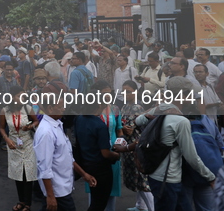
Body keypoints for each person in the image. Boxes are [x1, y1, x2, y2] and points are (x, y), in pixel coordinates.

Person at [134, 76, 216, 211]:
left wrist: (153, 114)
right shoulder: (181, 121)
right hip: (168, 180)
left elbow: (138, 121)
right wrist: (210, 177)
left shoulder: (161, 109)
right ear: (184, 95)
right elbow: (192, 157)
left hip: (156, 176)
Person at [34, 80, 97, 211]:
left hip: (63, 188)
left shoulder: (57, 125)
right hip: (57, 192)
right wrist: (50, 196)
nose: (64, 109)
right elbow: (44, 168)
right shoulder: (46, 132)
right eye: (61, 106)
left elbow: (67, 156)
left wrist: (83, 174)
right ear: (50, 108)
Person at [74, 89, 120, 211]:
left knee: (95, 200)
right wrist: (116, 155)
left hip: (86, 164)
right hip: (101, 168)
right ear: (99, 105)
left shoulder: (79, 119)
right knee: (99, 204)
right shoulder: (99, 125)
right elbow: (105, 153)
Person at [0, 85, 39, 211]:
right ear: (12, 97)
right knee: (18, 173)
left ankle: (28, 203)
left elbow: (36, 121)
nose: (22, 98)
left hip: (27, 143)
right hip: (13, 144)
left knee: (28, 173)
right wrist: (7, 139)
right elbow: (1, 127)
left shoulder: (27, 108)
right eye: (19, 96)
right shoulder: (4, 111)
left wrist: (30, 126)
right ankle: (21, 200)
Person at [118, 80, 154, 211]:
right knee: (136, 178)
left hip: (136, 146)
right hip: (128, 146)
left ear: (135, 91)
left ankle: (152, 208)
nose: (125, 94)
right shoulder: (125, 106)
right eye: (124, 91)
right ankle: (141, 206)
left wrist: (125, 128)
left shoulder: (137, 107)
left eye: (128, 91)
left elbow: (134, 128)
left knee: (142, 181)